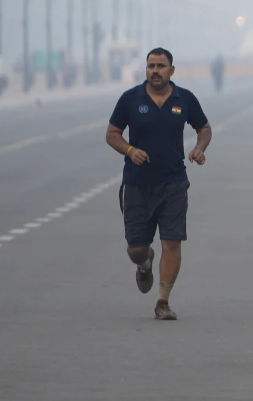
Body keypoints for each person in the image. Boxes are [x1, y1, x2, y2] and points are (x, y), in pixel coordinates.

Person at [105, 47, 211, 320]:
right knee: (136, 248)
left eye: (161, 66)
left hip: (174, 183)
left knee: (172, 243)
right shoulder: (130, 99)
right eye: (151, 65)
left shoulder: (184, 99)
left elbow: (204, 128)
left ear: (171, 70)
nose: (155, 70)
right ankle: (144, 263)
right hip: (137, 185)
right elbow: (112, 134)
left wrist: (200, 149)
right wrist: (130, 151)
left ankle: (162, 302)